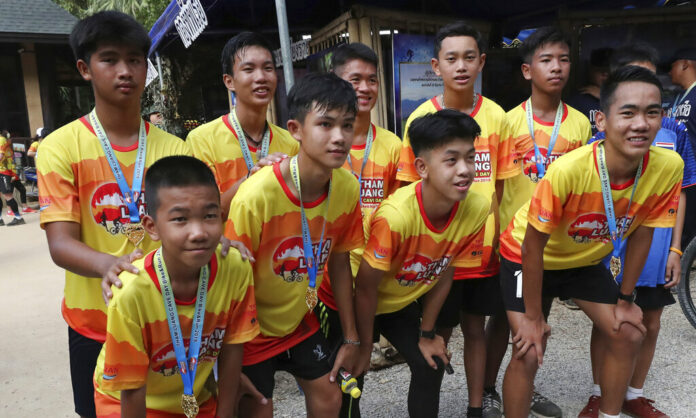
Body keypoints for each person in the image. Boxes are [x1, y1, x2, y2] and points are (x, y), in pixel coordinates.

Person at [498, 65, 683, 418]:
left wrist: (627, 298)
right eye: (627, 113)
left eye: (652, 112)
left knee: (628, 331)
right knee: (529, 347)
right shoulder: (569, 170)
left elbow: (644, 228)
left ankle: (609, 414)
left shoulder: (668, 165)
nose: (640, 123)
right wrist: (534, 318)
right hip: (528, 256)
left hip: (582, 260)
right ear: (602, 121)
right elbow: (532, 245)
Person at [36, 11, 192, 418]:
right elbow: (60, 243)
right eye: (110, 59)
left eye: (135, 59)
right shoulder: (60, 148)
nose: (125, 71)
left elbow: (192, 228)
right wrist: (110, 265)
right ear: (85, 69)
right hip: (94, 326)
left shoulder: (175, 149)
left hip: (163, 320)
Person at [225, 73, 364, 417]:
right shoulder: (256, 196)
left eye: (348, 125)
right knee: (257, 408)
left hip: (300, 320)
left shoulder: (347, 187)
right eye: (326, 124)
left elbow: (340, 262)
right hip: (251, 332)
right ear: (296, 129)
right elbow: (228, 280)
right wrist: (228, 358)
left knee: (330, 396)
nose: (339, 136)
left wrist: (351, 337)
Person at [394, 22, 514, 418]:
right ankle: (429, 403)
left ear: (481, 62)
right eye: (451, 58)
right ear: (436, 65)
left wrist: (498, 235)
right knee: (436, 332)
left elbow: (499, 188)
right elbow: (411, 192)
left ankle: (477, 406)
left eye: (468, 57)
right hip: (436, 252)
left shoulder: (497, 116)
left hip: (482, 249)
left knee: (475, 328)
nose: (460, 66)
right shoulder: (419, 121)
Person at [578, 45, 696, 418]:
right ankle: (599, 392)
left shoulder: (675, 130)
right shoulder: (599, 136)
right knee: (609, 321)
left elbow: (680, 192)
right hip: (610, 246)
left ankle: (633, 393)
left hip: (657, 244)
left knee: (652, 319)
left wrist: (676, 249)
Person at [93, 156, 259, 417]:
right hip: (131, 402)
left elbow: (232, 349)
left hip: (193, 396)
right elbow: (131, 390)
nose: (199, 232)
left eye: (210, 216)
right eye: (181, 219)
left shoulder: (236, 268)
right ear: (152, 226)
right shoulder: (131, 292)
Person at [354, 109, 488, 418]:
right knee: (350, 375)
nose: (465, 169)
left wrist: (427, 334)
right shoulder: (396, 216)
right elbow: (363, 288)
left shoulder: (477, 208)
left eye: (471, 158)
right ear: (422, 168)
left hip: (397, 302)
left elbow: (445, 271)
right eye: (451, 160)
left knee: (432, 362)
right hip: (350, 298)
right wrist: (359, 343)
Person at [315, 42, 402, 417]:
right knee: (326, 373)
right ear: (336, 82)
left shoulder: (395, 146)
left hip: (373, 275)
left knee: (356, 371)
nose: (364, 88)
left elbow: (400, 212)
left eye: (372, 80)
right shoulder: (318, 144)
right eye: (355, 79)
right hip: (327, 280)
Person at [501, 26, 592, 322]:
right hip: (513, 240)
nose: (556, 67)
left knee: (539, 316)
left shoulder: (579, 124)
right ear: (527, 71)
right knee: (504, 322)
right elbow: (495, 186)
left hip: (556, 241)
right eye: (547, 60)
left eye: (564, 59)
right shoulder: (507, 121)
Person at [187, 31, 299, 217]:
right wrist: (251, 181)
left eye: (268, 68)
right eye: (249, 69)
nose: (261, 77)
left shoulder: (291, 142)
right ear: (229, 81)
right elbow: (203, 214)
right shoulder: (201, 140)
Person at [668, 47, 696, 251]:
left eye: (672, 66)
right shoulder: (679, 97)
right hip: (680, 173)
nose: (669, 72)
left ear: (685, 64)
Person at [567, 48, 613, 135]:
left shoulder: (623, 98)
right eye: (600, 71)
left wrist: (603, 96)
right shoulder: (578, 99)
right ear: (590, 70)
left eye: (608, 71)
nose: (605, 75)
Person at [0, 129, 25, 226]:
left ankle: (18, 217)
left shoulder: (1, 139)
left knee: (8, 195)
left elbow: (1, 155)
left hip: (4, 171)